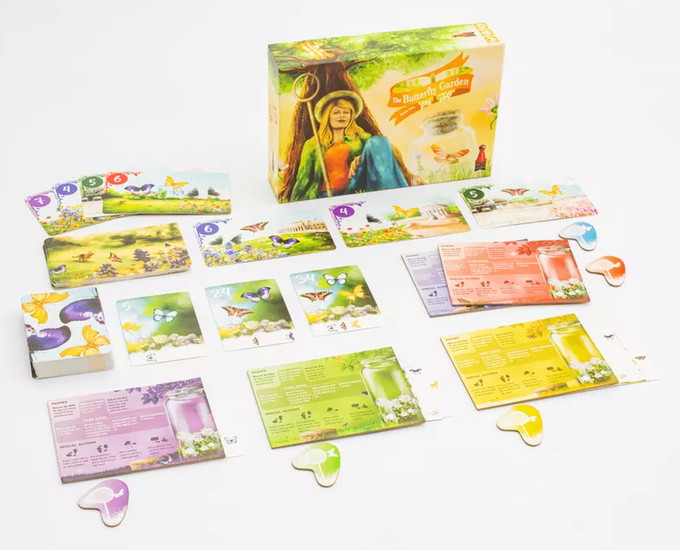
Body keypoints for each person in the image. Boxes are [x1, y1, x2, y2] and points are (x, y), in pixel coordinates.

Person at [291, 90, 409, 200]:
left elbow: (379, 156)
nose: (342, 115)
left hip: (355, 187)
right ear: (327, 116)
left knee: (379, 141)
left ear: (351, 115)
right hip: (327, 195)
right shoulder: (312, 144)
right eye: (336, 112)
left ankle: (396, 194)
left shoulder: (362, 138)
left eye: (346, 112)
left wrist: (361, 158)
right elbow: (303, 179)